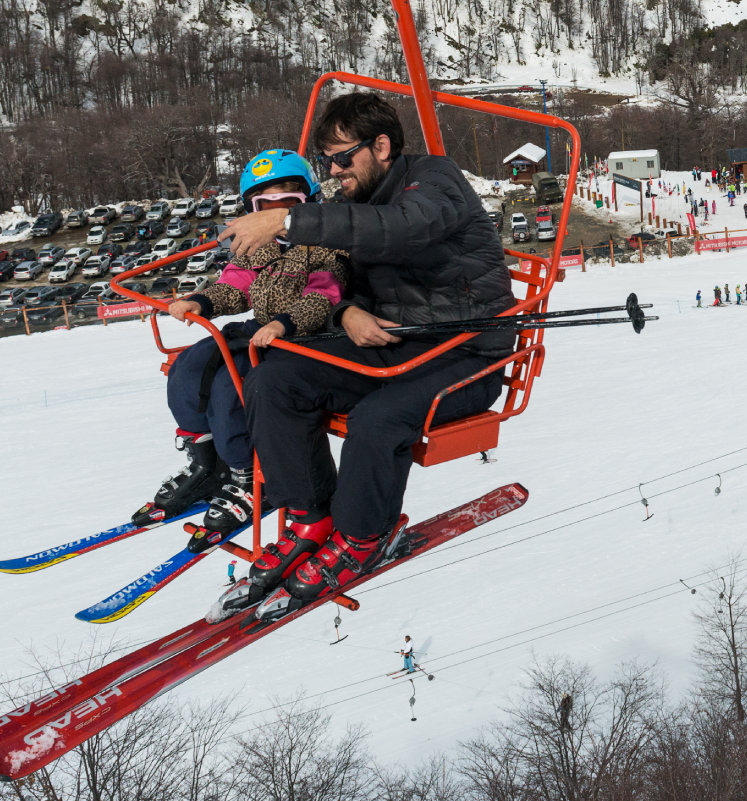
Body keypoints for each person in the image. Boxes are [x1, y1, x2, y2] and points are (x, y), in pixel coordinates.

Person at [221, 93, 513, 613]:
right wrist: (346, 314)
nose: (333, 172)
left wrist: (289, 222)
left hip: (467, 355)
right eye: (326, 162)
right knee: (276, 377)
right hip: (395, 345)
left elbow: (403, 228)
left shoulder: (435, 182)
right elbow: (343, 281)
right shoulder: (359, 203)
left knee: (380, 417)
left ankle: (362, 534)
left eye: (342, 157)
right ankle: (311, 516)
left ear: (381, 146)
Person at [139, 151, 349, 547]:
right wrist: (201, 302)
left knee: (230, 390)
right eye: (263, 208)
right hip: (258, 330)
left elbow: (323, 295)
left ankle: (248, 477)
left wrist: (282, 323)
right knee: (191, 367)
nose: (275, 219)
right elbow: (234, 285)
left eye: (289, 207)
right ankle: (206, 462)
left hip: (302, 337)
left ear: (311, 203)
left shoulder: (324, 246)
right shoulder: (256, 245)